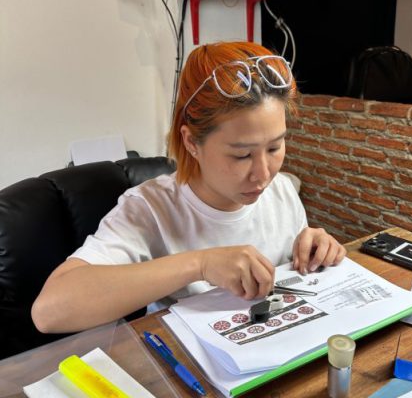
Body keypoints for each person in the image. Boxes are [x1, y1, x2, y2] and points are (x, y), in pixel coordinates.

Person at [32, 41, 346, 333]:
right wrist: (200, 264)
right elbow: (49, 312)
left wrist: (314, 248)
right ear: (192, 142)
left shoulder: (282, 190)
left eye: (275, 147)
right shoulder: (149, 209)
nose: (263, 174)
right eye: (242, 155)